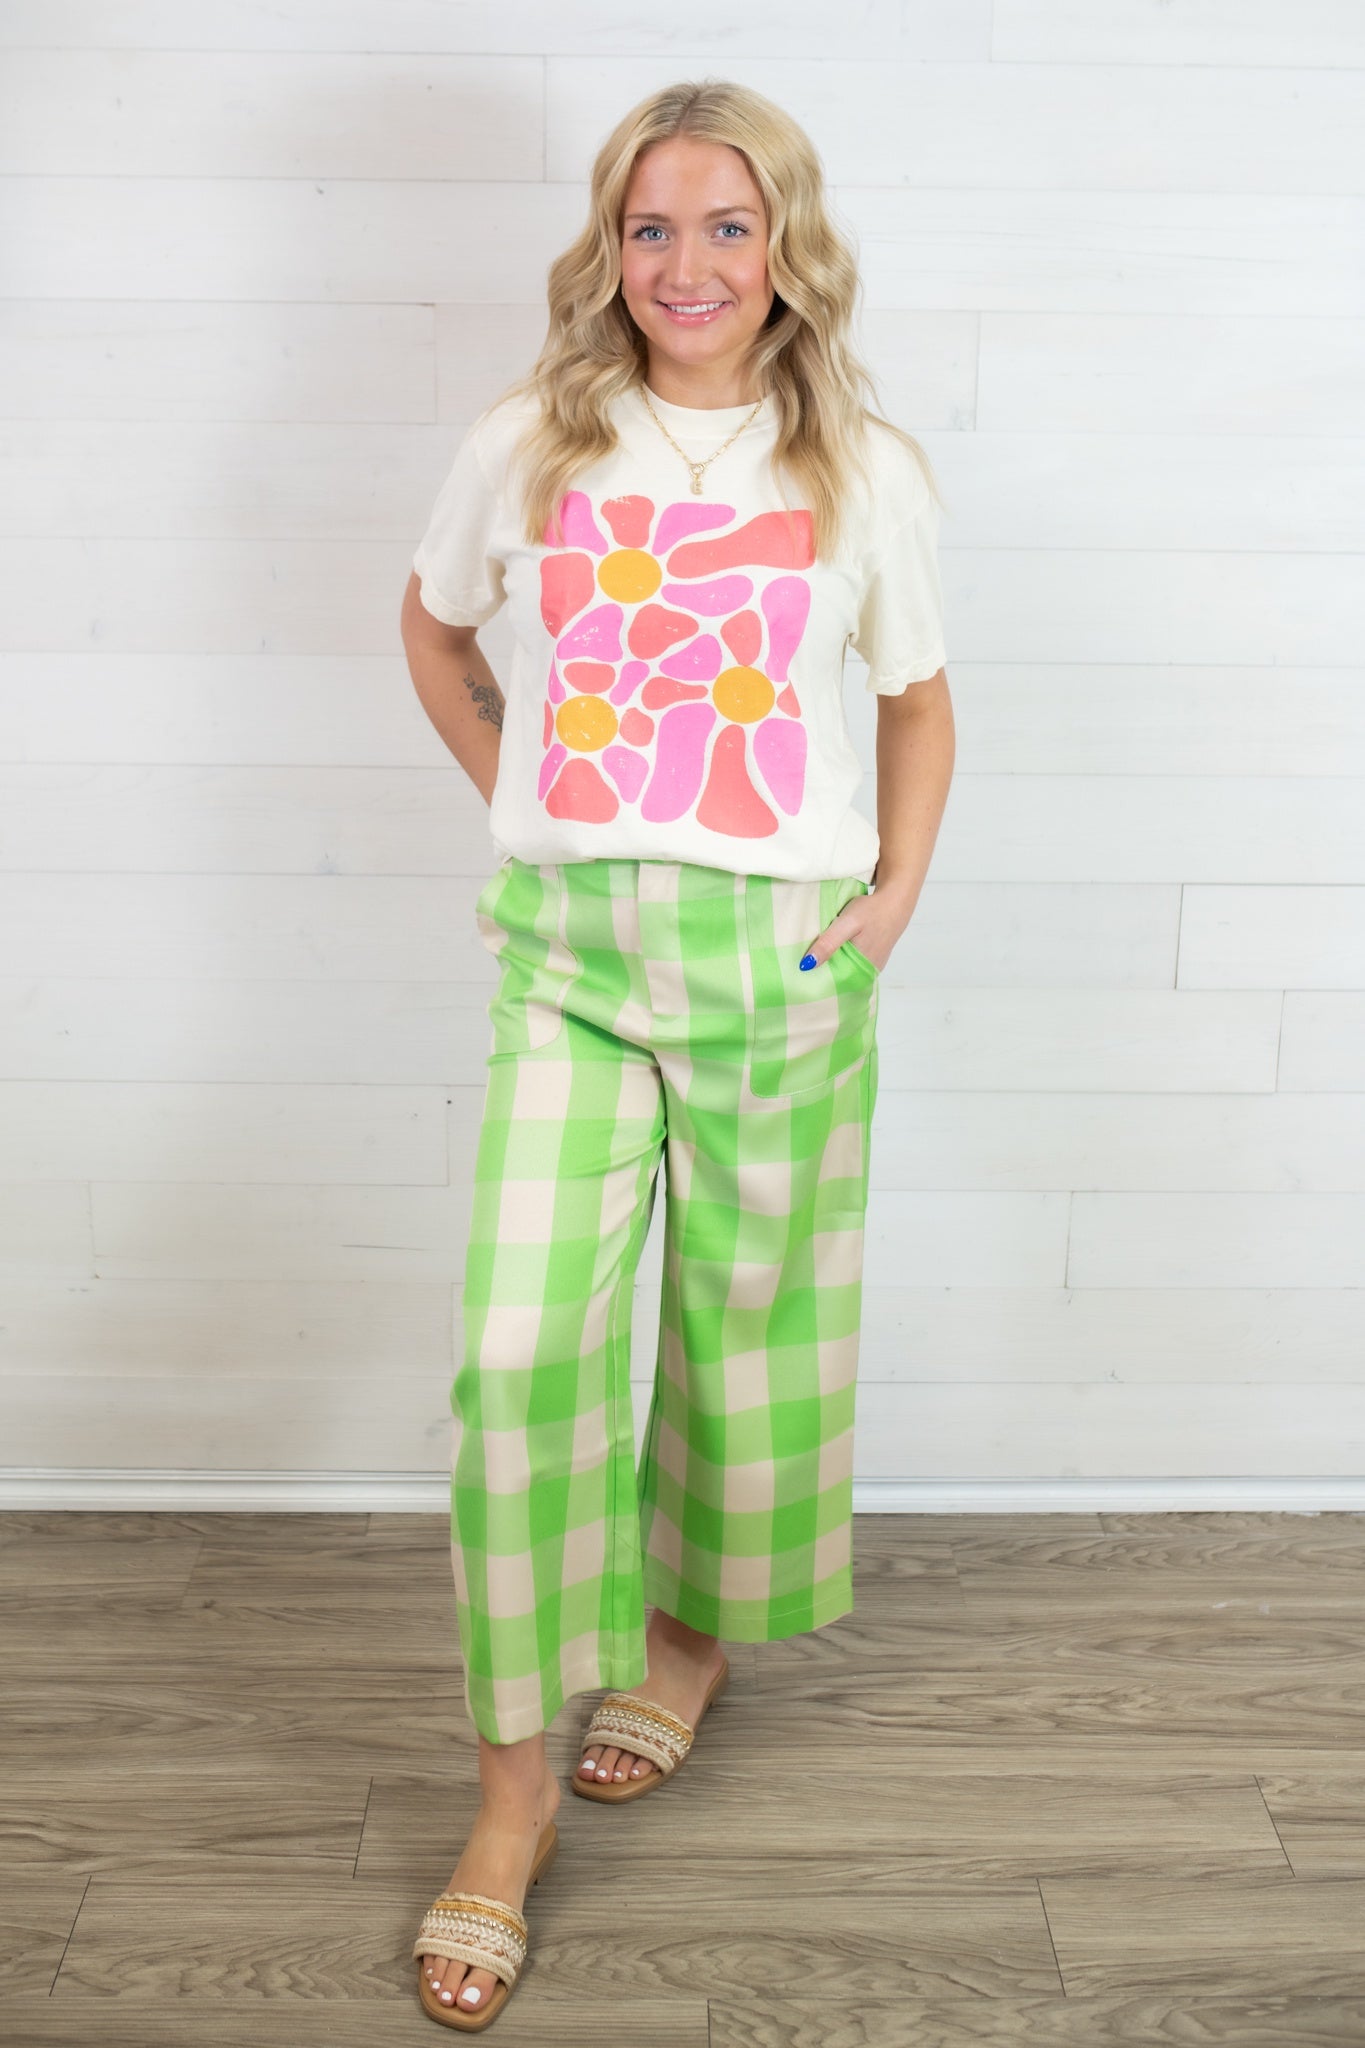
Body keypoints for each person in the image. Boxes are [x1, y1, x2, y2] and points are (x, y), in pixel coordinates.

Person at [400, 76, 954, 2029]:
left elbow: (914, 699)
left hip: (774, 953)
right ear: (608, 247)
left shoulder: (857, 466)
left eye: (729, 225)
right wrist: (525, 792)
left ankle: (690, 1638)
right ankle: (508, 1803)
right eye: (653, 226)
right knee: (516, 1355)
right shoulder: (529, 442)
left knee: (742, 1328)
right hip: (569, 958)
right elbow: (434, 631)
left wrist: (887, 900)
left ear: (785, 245)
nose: (689, 263)